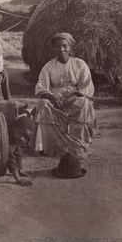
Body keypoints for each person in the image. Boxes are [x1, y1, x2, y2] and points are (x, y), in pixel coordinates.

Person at [30, 32, 96, 178]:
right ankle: (48, 146)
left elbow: (85, 86)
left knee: (84, 103)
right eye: (57, 47)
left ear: (70, 47)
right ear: (53, 49)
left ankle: (78, 142)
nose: (61, 50)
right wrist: (51, 97)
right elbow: (41, 87)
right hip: (56, 99)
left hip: (74, 98)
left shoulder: (80, 64)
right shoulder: (48, 67)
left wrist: (73, 95)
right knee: (43, 103)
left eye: (64, 46)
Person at [8, 111, 35, 186]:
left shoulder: (15, 139)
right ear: (13, 127)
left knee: (18, 150)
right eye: (21, 134)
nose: (22, 139)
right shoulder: (8, 139)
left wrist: (20, 169)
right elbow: (10, 158)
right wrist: (18, 178)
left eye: (26, 137)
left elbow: (18, 153)